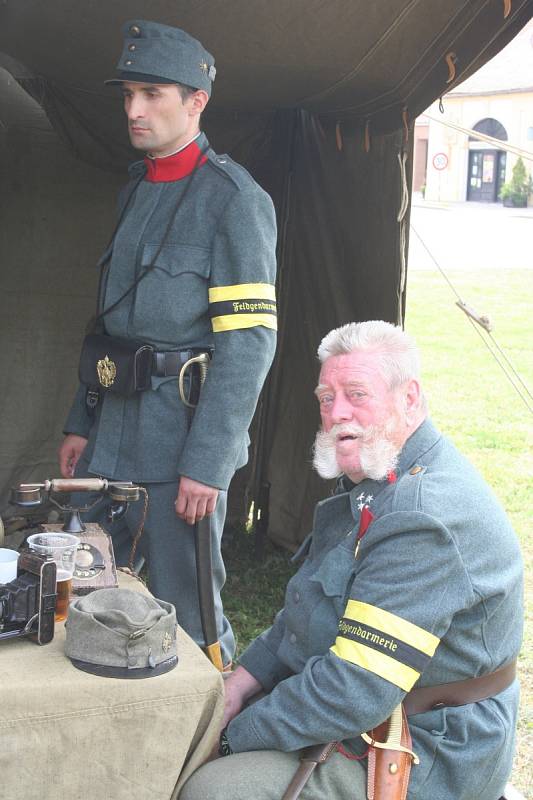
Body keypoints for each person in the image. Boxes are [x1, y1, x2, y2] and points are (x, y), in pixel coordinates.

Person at [180, 320, 523, 800]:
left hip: (425, 747)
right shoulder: (380, 480)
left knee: (213, 789)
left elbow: (353, 690)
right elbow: (309, 609)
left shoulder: (421, 516)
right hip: (374, 708)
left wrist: (231, 738)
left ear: (409, 398)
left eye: (356, 394)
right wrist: (241, 682)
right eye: (326, 397)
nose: (336, 412)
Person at [58, 20, 277, 666]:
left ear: (196, 102)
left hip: (178, 440)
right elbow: (110, 326)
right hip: (109, 438)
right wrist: (80, 421)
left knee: (189, 612)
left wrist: (207, 462)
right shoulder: (135, 189)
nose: (133, 109)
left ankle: (209, 734)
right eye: (128, 94)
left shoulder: (234, 200)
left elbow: (250, 344)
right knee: (95, 596)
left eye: (152, 93)